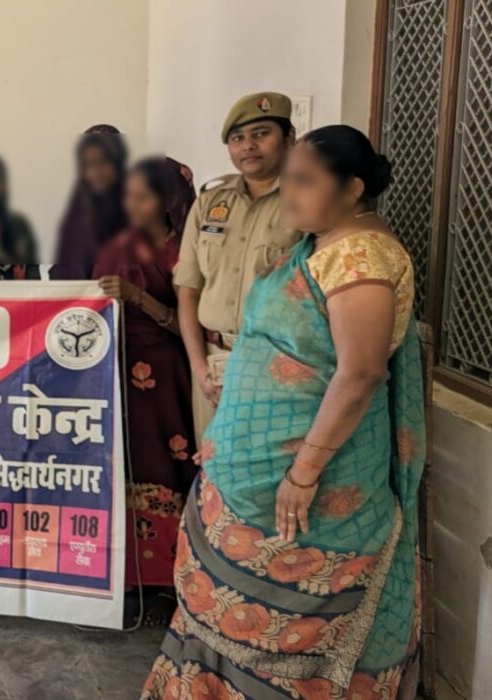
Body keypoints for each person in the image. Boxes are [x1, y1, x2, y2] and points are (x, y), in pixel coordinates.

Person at [142, 126, 423, 699]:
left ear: (352, 189)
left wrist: (303, 473)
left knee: (288, 614)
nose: (289, 193)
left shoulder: (362, 256)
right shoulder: (320, 247)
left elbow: (360, 374)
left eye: (304, 181)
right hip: (254, 465)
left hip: (314, 477)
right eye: (288, 179)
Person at [91, 157, 197, 627]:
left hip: (168, 377)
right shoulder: (115, 247)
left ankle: (171, 583)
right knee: (125, 470)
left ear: (167, 200)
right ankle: (129, 579)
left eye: (143, 196)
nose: (131, 205)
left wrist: (139, 299)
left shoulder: (186, 251)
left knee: (170, 469)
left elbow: (193, 326)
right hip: (116, 374)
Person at [175, 93, 302, 444]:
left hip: (280, 363)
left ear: (289, 138)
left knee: (269, 465)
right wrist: (200, 368)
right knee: (214, 465)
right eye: (237, 138)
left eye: (261, 134)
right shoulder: (210, 201)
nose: (248, 146)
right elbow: (188, 290)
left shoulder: (306, 200)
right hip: (214, 361)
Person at [51, 125, 128, 280]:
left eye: (104, 161)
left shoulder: (137, 204)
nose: (96, 172)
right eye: (88, 164)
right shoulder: (78, 208)